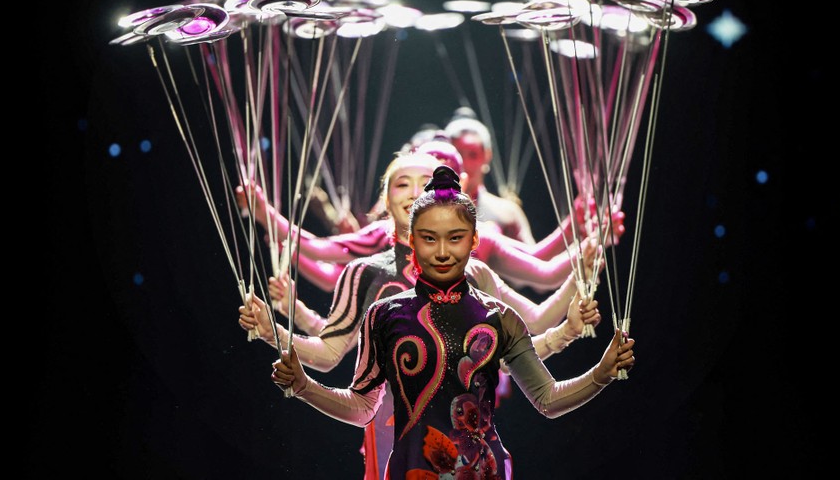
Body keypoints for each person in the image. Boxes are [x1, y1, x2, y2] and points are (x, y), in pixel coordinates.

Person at [239, 152, 603, 479]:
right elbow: (331, 351)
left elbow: (524, 337)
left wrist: (571, 314)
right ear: (386, 200)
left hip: (474, 453)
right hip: (394, 434)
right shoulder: (366, 275)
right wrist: (277, 334)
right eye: (402, 183)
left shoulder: (477, 276)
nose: (414, 191)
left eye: (424, 182)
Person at [235, 141, 614, 294]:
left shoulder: (481, 239)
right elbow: (326, 262)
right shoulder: (384, 235)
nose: (422, 192)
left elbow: (542, 272)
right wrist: (268, 219)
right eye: (408, 184)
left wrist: (589, 239)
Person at [444, 107, 536, 245]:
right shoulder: (428, 210)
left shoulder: (507, 213)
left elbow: (534, 256)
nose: (465, 164)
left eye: (473, 155)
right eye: (458, 155)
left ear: (487, 155)